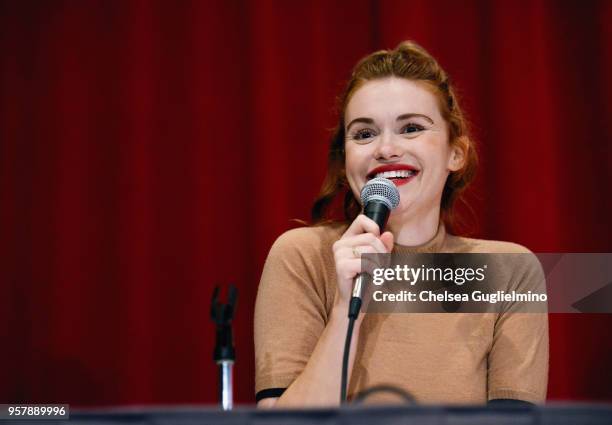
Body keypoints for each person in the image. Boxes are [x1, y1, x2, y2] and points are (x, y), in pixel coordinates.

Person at [254, 41, 548, 407]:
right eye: (364, 133)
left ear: (456, 153)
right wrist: (347, 311)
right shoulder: (303, 256)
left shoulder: (509, 271)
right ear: (344, 158)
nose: (386, 148)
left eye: (410, 128)